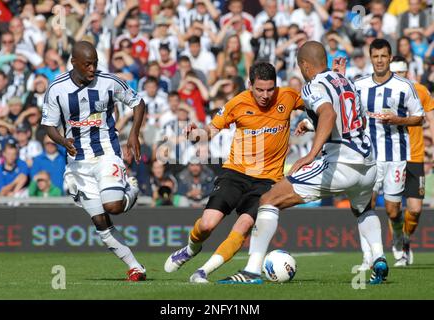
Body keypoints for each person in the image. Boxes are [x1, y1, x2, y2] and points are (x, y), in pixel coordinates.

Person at [220, 41, 389, 285]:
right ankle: (379, 258)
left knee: (268, 200)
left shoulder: (312, 85)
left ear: (305, 65)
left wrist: (311, 154)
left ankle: (251, 271)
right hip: (368, 163)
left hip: (341, 162)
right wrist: (311, 124)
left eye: (300, 67)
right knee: (363, 209)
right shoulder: (345, 80)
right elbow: (351, 117)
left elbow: (329, 113)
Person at [163, 62, 304, 283]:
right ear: (250, 85)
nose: (265, 95)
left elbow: (320, 106)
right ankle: (191, 249)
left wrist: (309, 123)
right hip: (236, 173)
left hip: (267, 181)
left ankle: (203, 272)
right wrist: (195, 134)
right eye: (260, 89)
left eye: (270, 89)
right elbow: (211, 130)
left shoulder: (288, 96)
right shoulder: (237, 103)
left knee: (245, 225)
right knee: (208, 224)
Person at [41, 41, 147, 282]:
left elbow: (138, 102)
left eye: (95, 63)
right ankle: (135, 267)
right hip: (78, 163)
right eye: (87, 64)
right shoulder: (57, 88)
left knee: (114, 207)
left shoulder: (109, 82)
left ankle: (131, 188)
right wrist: (61, 140)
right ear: (74, 63)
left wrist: (133, 133)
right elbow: (48, 124)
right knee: (101, 222)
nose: (92, 68)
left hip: (106, 152)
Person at [354, 39, 424, 268]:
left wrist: (399, 120)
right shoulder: (360, 85)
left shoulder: (404, 86)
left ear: (390, 57)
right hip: (369, 157)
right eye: (376, 56)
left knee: (393, 210)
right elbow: (346, 113)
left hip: (395, 156)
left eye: (384, 56)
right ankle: (369, 256)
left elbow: (419, 117)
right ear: (370, 57)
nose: (380, 60)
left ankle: (399, 239)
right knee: (366, 204)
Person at [375, 56, 434, 266]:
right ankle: (398, 242)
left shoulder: (420, 90)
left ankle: (404, 238)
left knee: (416, 209)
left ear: (407, 72)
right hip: (392, 155)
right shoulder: (381, 90)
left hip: (415, 156)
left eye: (402, 73)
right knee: (394, 208)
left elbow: (431, 118)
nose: (399, 77)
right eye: (395, 74)